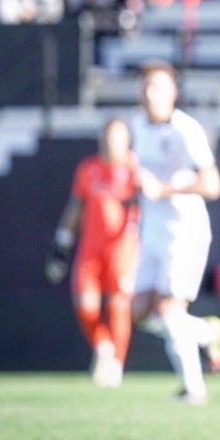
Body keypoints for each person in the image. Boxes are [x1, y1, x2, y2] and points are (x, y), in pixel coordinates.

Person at [130, 60, 220, 405]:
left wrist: (165, 190)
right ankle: (203, 331)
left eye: (158, 86)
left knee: (170, 309)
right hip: (150, 230)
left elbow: (212, 185)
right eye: (145, 85)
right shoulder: (136, 126)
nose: (150, 92)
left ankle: (193, 389)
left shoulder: (186, 129)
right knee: (139, 312)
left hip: (185, 230)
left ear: (174, 92)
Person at [48, 117, 139, 387]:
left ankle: (117, 366)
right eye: (108, 136)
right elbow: (75, 208)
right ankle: (103, 346)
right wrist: (60, 248)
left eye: (118, 137)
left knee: (119, 304)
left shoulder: (135, 168)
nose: (112, 142)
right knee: (84, 304)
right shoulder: (88, 169)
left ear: (127, 141)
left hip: (122, 249)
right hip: (90, 249)